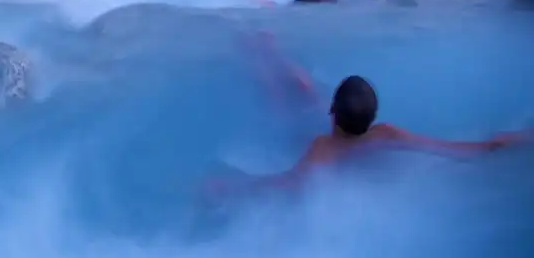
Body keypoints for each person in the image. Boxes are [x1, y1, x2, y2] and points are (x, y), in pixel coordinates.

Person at [214, 75, 526, 194]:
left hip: (314, 141)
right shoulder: (387, 135)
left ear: (333, 114)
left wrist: (232, 185)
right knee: (302, 95)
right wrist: (502, 142)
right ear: (374, 117)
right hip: (355, 153)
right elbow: (456, 149)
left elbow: (288, 184)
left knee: (287, 100)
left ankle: (270, 62)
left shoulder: (322, 149)